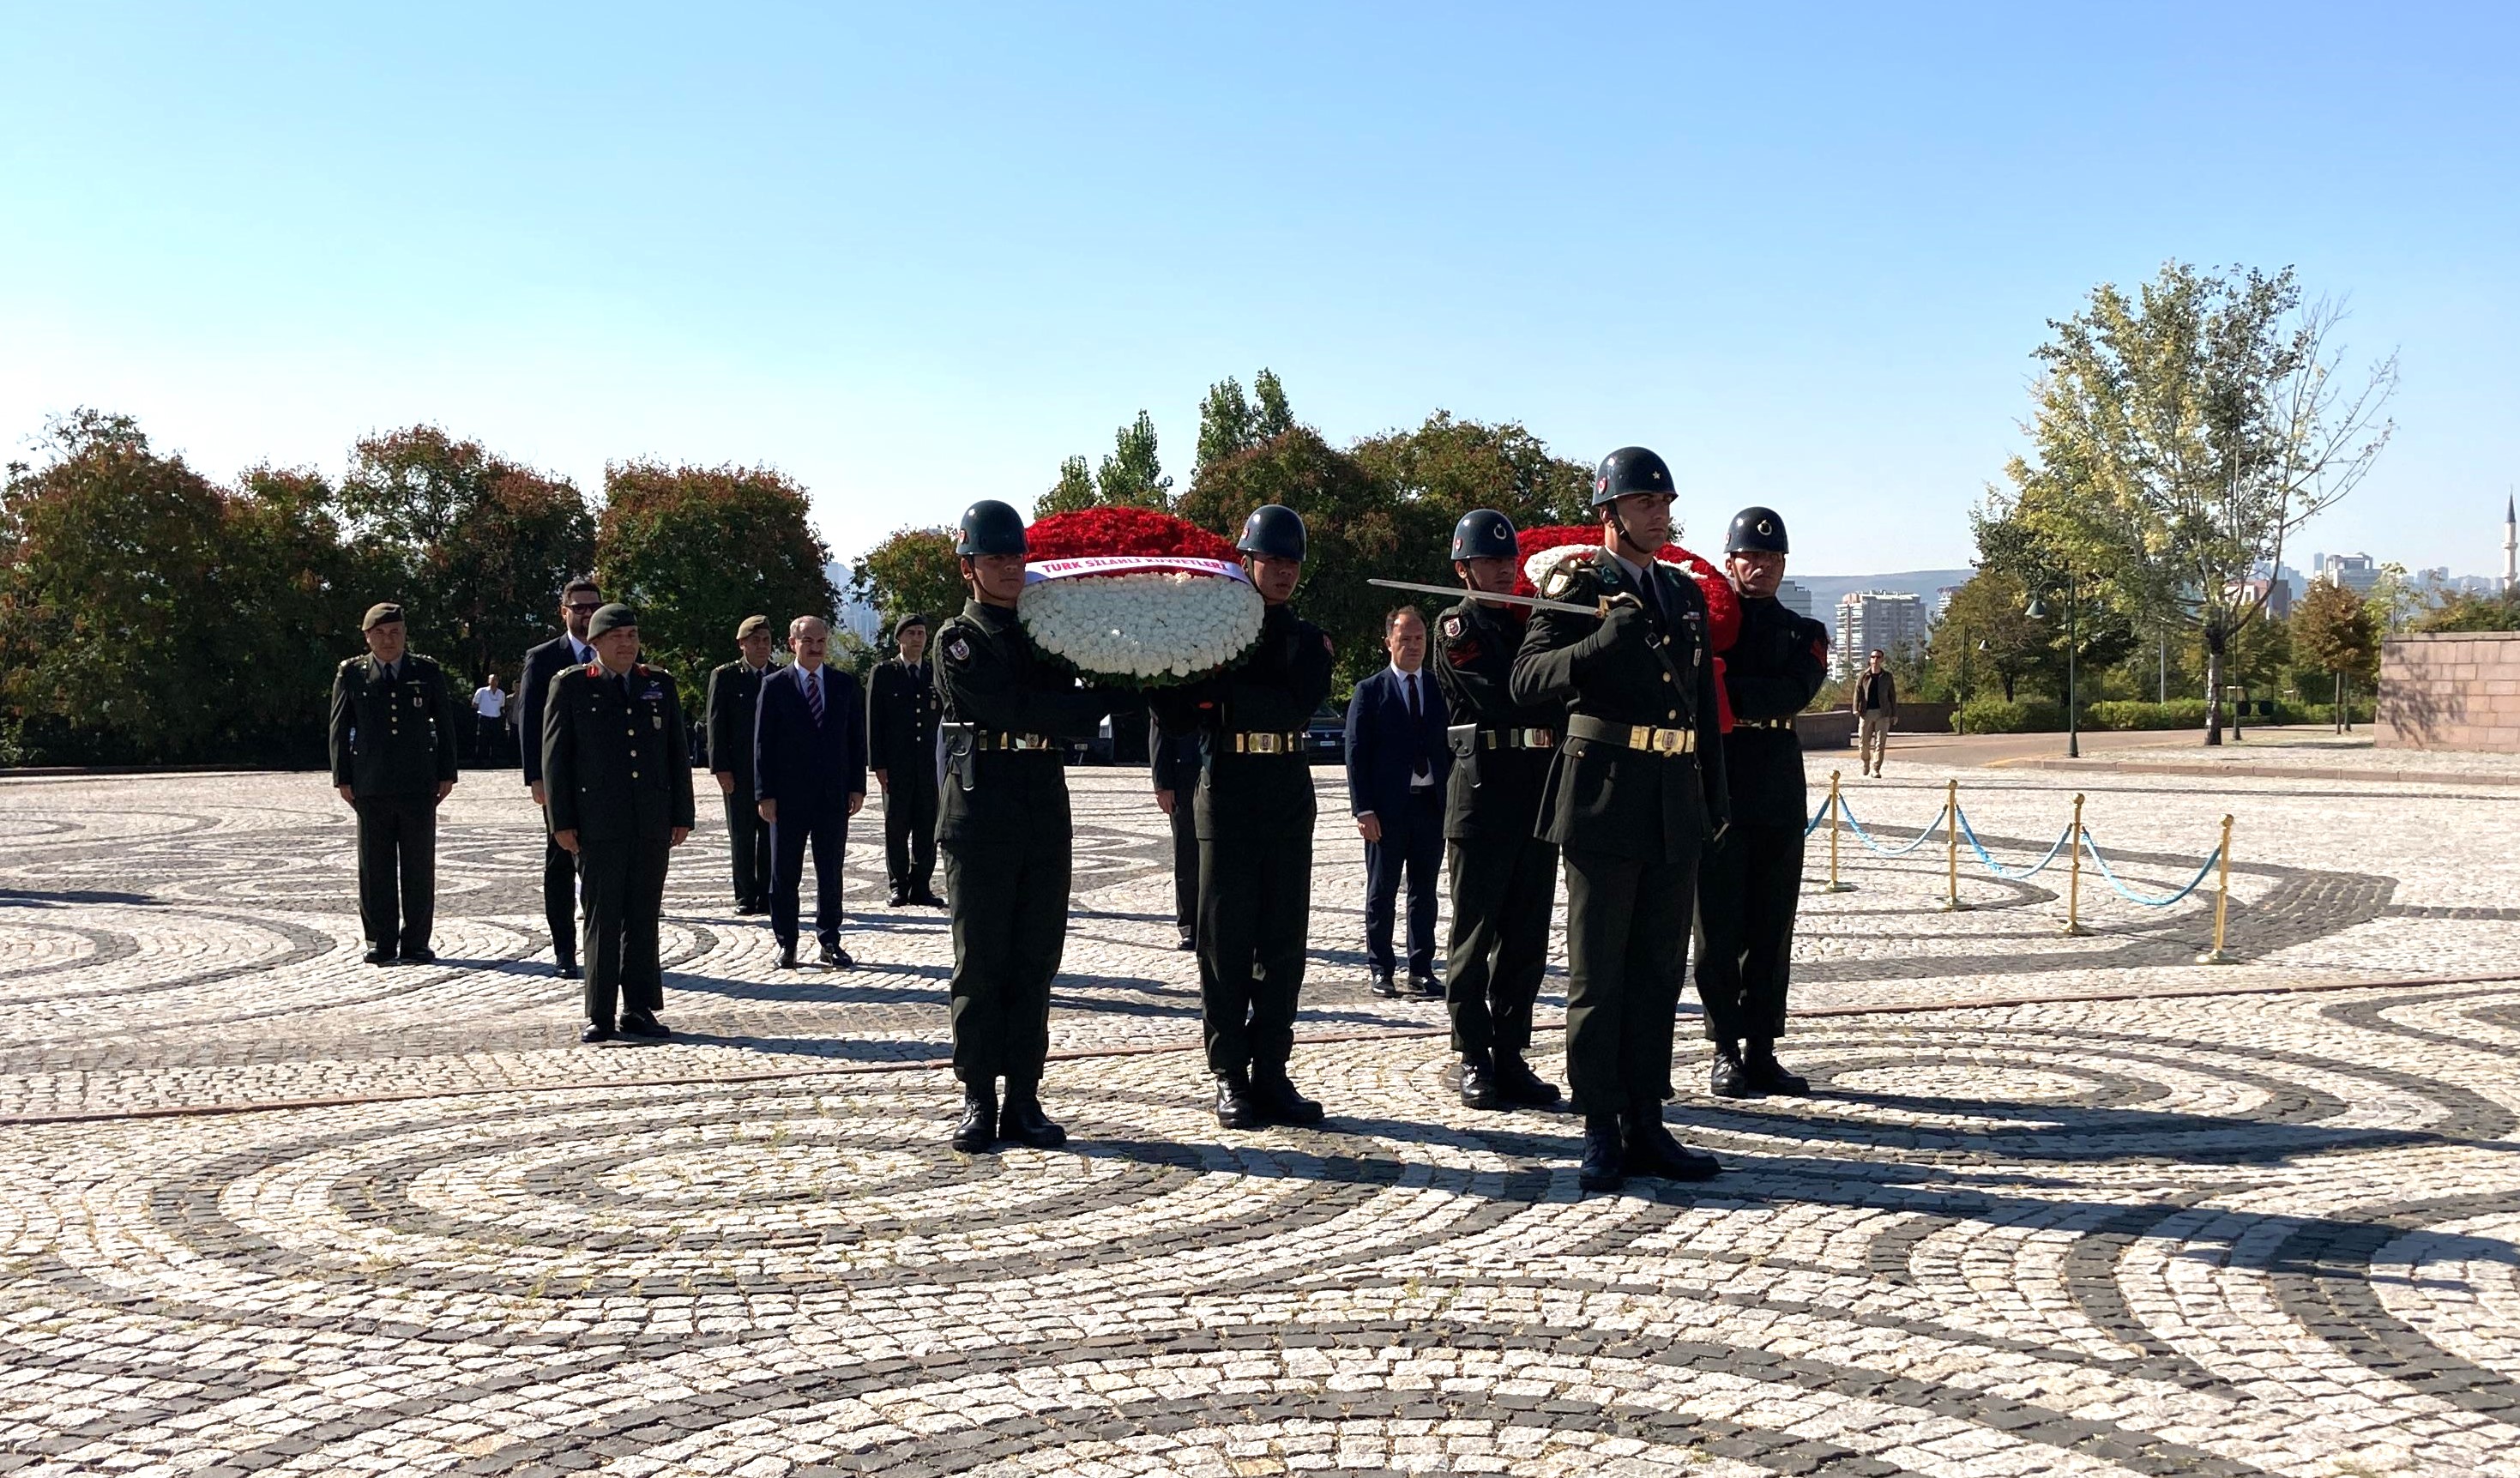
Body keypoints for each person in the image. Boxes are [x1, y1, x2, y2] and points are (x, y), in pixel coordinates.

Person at [1511, 445, 1729, 1192]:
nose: (1659, 514)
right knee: (1599, 973)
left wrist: (1714, 797)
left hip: (1672, 797)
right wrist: (1599, 642)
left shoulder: (1680, 591)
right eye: (1644, 503)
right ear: (1609, 513)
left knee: (1658, 971)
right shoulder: (1579, 586)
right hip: (1602, 796)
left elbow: (1699, 708)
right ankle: (1600, 1123)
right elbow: (1526, 680)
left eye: (1665, 503)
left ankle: (1646, 1116)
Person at [932, 500, 1117, 1151]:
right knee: (981, 961)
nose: (1009, 568)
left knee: (1035, 960)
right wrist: (1071, 707)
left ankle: (1025, 1098)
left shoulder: (1046, 631)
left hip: (1041, 806)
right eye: (994, 558)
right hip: (980, 813)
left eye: (1016, 556)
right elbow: (1014, 704)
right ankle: (978, 1096)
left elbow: (1074, 711)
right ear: (968, 567)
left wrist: (1075, 705)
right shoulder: (958, 639)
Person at [1153, 504, 1335, 1131]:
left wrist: (1220, 689)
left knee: (1283, 941)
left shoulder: (1307, 639)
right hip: (1226, 789)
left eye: (1292, 562)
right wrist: (1171, 665)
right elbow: (1177, 712)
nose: (1282, 571)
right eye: (1272, 560)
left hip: (1285, 786)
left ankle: (1272, 1069)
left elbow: (1291, 704)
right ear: (1246, 561)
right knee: (1224, 941)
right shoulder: (1208, 630)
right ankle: (1230, 1070)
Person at [1431, 510, 1565, 1111]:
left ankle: (1511, 1052)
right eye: (1490, 560)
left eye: (1509, 560)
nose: (1505, 568)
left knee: (1526, 939)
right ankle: (1473, 1053)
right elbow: (1507, 693)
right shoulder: (1457, 625)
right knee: (1474, 933)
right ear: (1464, 568)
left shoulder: (1531, 625)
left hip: (1534, 793)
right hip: (1482, 794)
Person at [1696, 507, 1830, 1098]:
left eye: (1772, 558)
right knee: (1719, 924)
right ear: (1730, 562)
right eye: (1751, 557)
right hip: (1722, 782)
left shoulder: (1805, 632)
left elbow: (1794, 691)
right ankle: (1724, 1047)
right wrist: (1734, 688)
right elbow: (1704, 687)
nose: (1762, 567)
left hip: (1777, 782)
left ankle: (1763, 1048)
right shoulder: (1707, 626)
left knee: (1773, 925)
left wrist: (1731, 688)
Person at [542, 604, 696, 1043]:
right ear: (595, 644)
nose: (627, 644)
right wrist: (562, 821)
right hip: (598, 822)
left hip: (650, 819)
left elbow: (675, 753)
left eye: (632, 635)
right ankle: (601, 1012)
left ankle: (640, 1008)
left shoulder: (658, 684)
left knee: (643, 917)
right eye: (616, 637)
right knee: (602, 916)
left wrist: (681, 814)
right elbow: (556, 760)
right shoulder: (572, 686)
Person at [329, 602, 460, 966]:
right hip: (371, 784)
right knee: (375, 867)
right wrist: (343, 777)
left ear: (405, 633)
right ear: (367, 636)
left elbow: (445, 723)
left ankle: (417, 941)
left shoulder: (426, 671)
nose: (388, 640)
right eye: (380, 634)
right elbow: (339, 728)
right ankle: (380, 940)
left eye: (395, 632)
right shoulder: (353, 674)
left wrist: (447, 772)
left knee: (419, 865)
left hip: (419, 782)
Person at [1346, 606, 1450, 998]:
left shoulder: (1439, 688)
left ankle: (1421, 967)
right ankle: (1381, 968)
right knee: (1382, 890)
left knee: (1425, 891)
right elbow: (1356, 752)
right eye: (1404, 638)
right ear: (1388, 641)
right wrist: (1364, 809)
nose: (1412, 646)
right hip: (1387, 809)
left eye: (1419, 638)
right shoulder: (1370, 690)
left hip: (1430, 804)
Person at [753, 615, 868, 970]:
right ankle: (786, 942)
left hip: (832, 795)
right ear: (792, 644)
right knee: (784, 873)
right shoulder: (775, 686)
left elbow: (855, 739)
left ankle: (830, 940)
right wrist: (764, 793)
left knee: (830, 870)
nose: (815, 648)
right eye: (808, 642)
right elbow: (762, 743)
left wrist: (857, 786)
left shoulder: (843, 684)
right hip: (788, 797)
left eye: (821, 641)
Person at [519, 576, 606, 978]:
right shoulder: (542, 658)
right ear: (564, 611)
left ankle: (603, 944)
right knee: (560, 860)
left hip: (606, 778)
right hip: (561, 779)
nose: (587, 613)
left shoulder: (615, 652)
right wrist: (537, 778)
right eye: (580, 607)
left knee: (603, 861)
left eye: (593, 606)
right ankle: (564, 951)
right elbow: (529, 722)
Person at [868, 612, 944, 908]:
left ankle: (922, 885)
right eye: (911, 633)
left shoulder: (934, 672)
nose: (917, 639)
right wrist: (878, 764)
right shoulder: (885, 673)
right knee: (897, 826)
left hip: (929, 764)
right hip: (897, 766)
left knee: (927, 826)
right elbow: (874, 720)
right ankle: (899, 885)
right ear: (899, 638)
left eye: (921, 634)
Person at [704, 615, 777, 914]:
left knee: (770, 834)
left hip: (772, 771)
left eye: (766, 641)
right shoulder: (726, 677)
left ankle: (767, 893)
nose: (761, 646)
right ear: (742, 644)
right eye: (755, 640)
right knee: (743, 834)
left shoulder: (780, 676)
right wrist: (720, 767)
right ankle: (745, 894)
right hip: (739, 769)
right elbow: (716, 725)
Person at [1148, 715, 1203, 952]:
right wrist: (1162, 783)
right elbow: (1159, 723)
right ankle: (1190, 926)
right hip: (1184, 775)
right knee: (1187, 854)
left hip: (1223, 770)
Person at [1853, 649, 1896, 776]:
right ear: (1870, 659)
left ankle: (1876, 768)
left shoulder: (1887, 677)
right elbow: (1857, 692)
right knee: (1863, 742)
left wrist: (1894, 714)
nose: (1875, 660)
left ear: (1882, 660)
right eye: (1873, 657)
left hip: (1882, 714)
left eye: (1878, 657)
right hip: (1866, 713)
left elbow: (1892, 696)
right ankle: (1866, 762)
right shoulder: (1864, 675)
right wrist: (1855, 708)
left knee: (1880, 743)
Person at [471, 673, 508, 766]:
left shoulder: (501, 693)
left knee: (495, 741)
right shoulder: (482, 691)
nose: (494, 682)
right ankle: (480, 760)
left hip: (496, 718)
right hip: (484, 718)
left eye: (495, 680)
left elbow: (501, 706)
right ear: (488, 681)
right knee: (482, 740)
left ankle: (494, 760)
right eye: (492, 680)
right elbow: (474, 704)